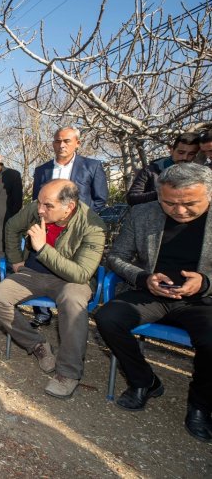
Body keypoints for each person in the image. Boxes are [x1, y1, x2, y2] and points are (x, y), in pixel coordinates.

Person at [95, 163, 212, 443]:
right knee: (107, 318)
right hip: (152, 293)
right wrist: (144, 277)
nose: (180, 211)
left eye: (190, 204)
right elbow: (117, 257)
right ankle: (144, 381)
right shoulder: (143, 213)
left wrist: (205, 281)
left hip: (202, 301)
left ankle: (200, 405)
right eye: (170, 203)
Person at [0, 179, 106, 398]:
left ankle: (68, 373)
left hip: (71, 280)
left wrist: (42, 248)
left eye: (48, 206)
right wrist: (15, 259)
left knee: (73, 302)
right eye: (39, 203)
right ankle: (37, 344)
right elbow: (12, 226)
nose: (40, 210)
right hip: (34, 271)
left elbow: (81, 273)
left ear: (69, 207)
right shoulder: (37, 208)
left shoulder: (93, 226)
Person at [30, 126, 108, 327]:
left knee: (71, 271)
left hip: (77, 232)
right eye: (57, 141)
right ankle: (42, 313)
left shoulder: (92, 166)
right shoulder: (42, 170)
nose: (61, 145)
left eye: (66, 140)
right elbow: (35, 200)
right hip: (48, 229)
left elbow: (100, 199)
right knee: (42, 263)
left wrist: (77, 220)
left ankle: (68, 310)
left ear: (77, 143)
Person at [126, 132, 199, 205]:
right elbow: (132, 198)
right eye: (181, 152)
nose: (185, 157)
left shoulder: (199, 175)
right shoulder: (150, 170)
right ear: (172, 150)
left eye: (191, 154)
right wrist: (165, 193)